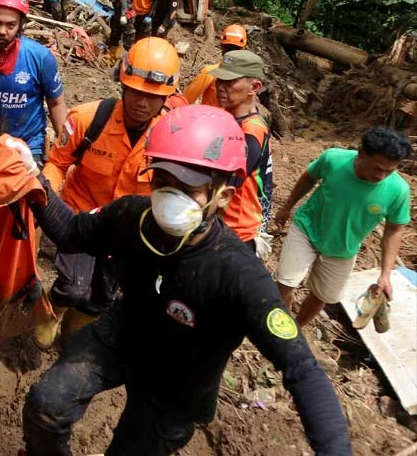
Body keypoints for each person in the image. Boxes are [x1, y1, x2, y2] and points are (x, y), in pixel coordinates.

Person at [22, 105, 352, 456]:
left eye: (189, 188)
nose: (170, 199)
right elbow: (73, 233)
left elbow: (301, 367)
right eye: (163, 182)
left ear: (222, 196)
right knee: (46, 406)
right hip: (121, 336)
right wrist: (34, 179)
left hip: (179, 386)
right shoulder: (132, 216)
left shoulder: (238, 276)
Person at [41, 37, 181, 342]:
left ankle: (73, 338)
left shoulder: (171, 141)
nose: (143, 103)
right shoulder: (87, 120)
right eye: (137, 92)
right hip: (80, 218)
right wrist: (45, 200)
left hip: (127, 233)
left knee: (101, 299)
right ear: (123, 84)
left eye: (153, 96)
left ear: (167, 97)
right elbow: (57, 164)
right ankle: (52, 309)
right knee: (74, 286)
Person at [274, 126, 412, 328]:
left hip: (343, 248)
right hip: (307, 229)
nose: (381, 176)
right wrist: (286, 207)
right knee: (286, 283)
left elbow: (394, 229)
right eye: (378, 168)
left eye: (389, 171)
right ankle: (280, 330)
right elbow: (309, 177)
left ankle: (297, 329)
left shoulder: (398, 190)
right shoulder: (333, 160)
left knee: (322, 295)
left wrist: (385, 275)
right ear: (361, 153)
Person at [0, 0, 67, 166]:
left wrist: (66, 151)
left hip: (29, 149)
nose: (1, 31)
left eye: (10, 25)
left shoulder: (40, 58)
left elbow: (56, 103)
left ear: (21, 25)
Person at [211, 50, 274, 255]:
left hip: (235, 231)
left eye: (229, 82)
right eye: (219, 80)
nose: (220, 87)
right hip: (220, 224)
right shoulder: (228, 119)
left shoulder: (251, 130)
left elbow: (228, 182)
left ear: (254, 87)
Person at [182, 23, 249, 106]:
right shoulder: (247, 77)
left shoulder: (210, 72)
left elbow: (185, 100)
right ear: (243, 49)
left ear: (222, 47)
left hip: (208, 117)